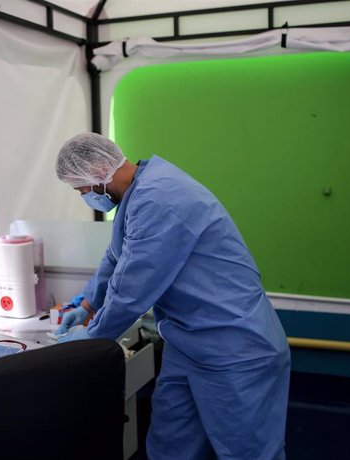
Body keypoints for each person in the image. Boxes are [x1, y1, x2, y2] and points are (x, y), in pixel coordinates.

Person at [54, 132, 291, 460]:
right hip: (188, 343)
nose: (83, 196)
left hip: (234, 347)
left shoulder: (158, 198)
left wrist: (91, 340)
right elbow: (116, 256)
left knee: (247, 452)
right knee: (171, 444)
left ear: (96, 173)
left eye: (80, 189)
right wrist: (88, 303)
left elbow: (131, 293)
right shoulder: (138, 190)